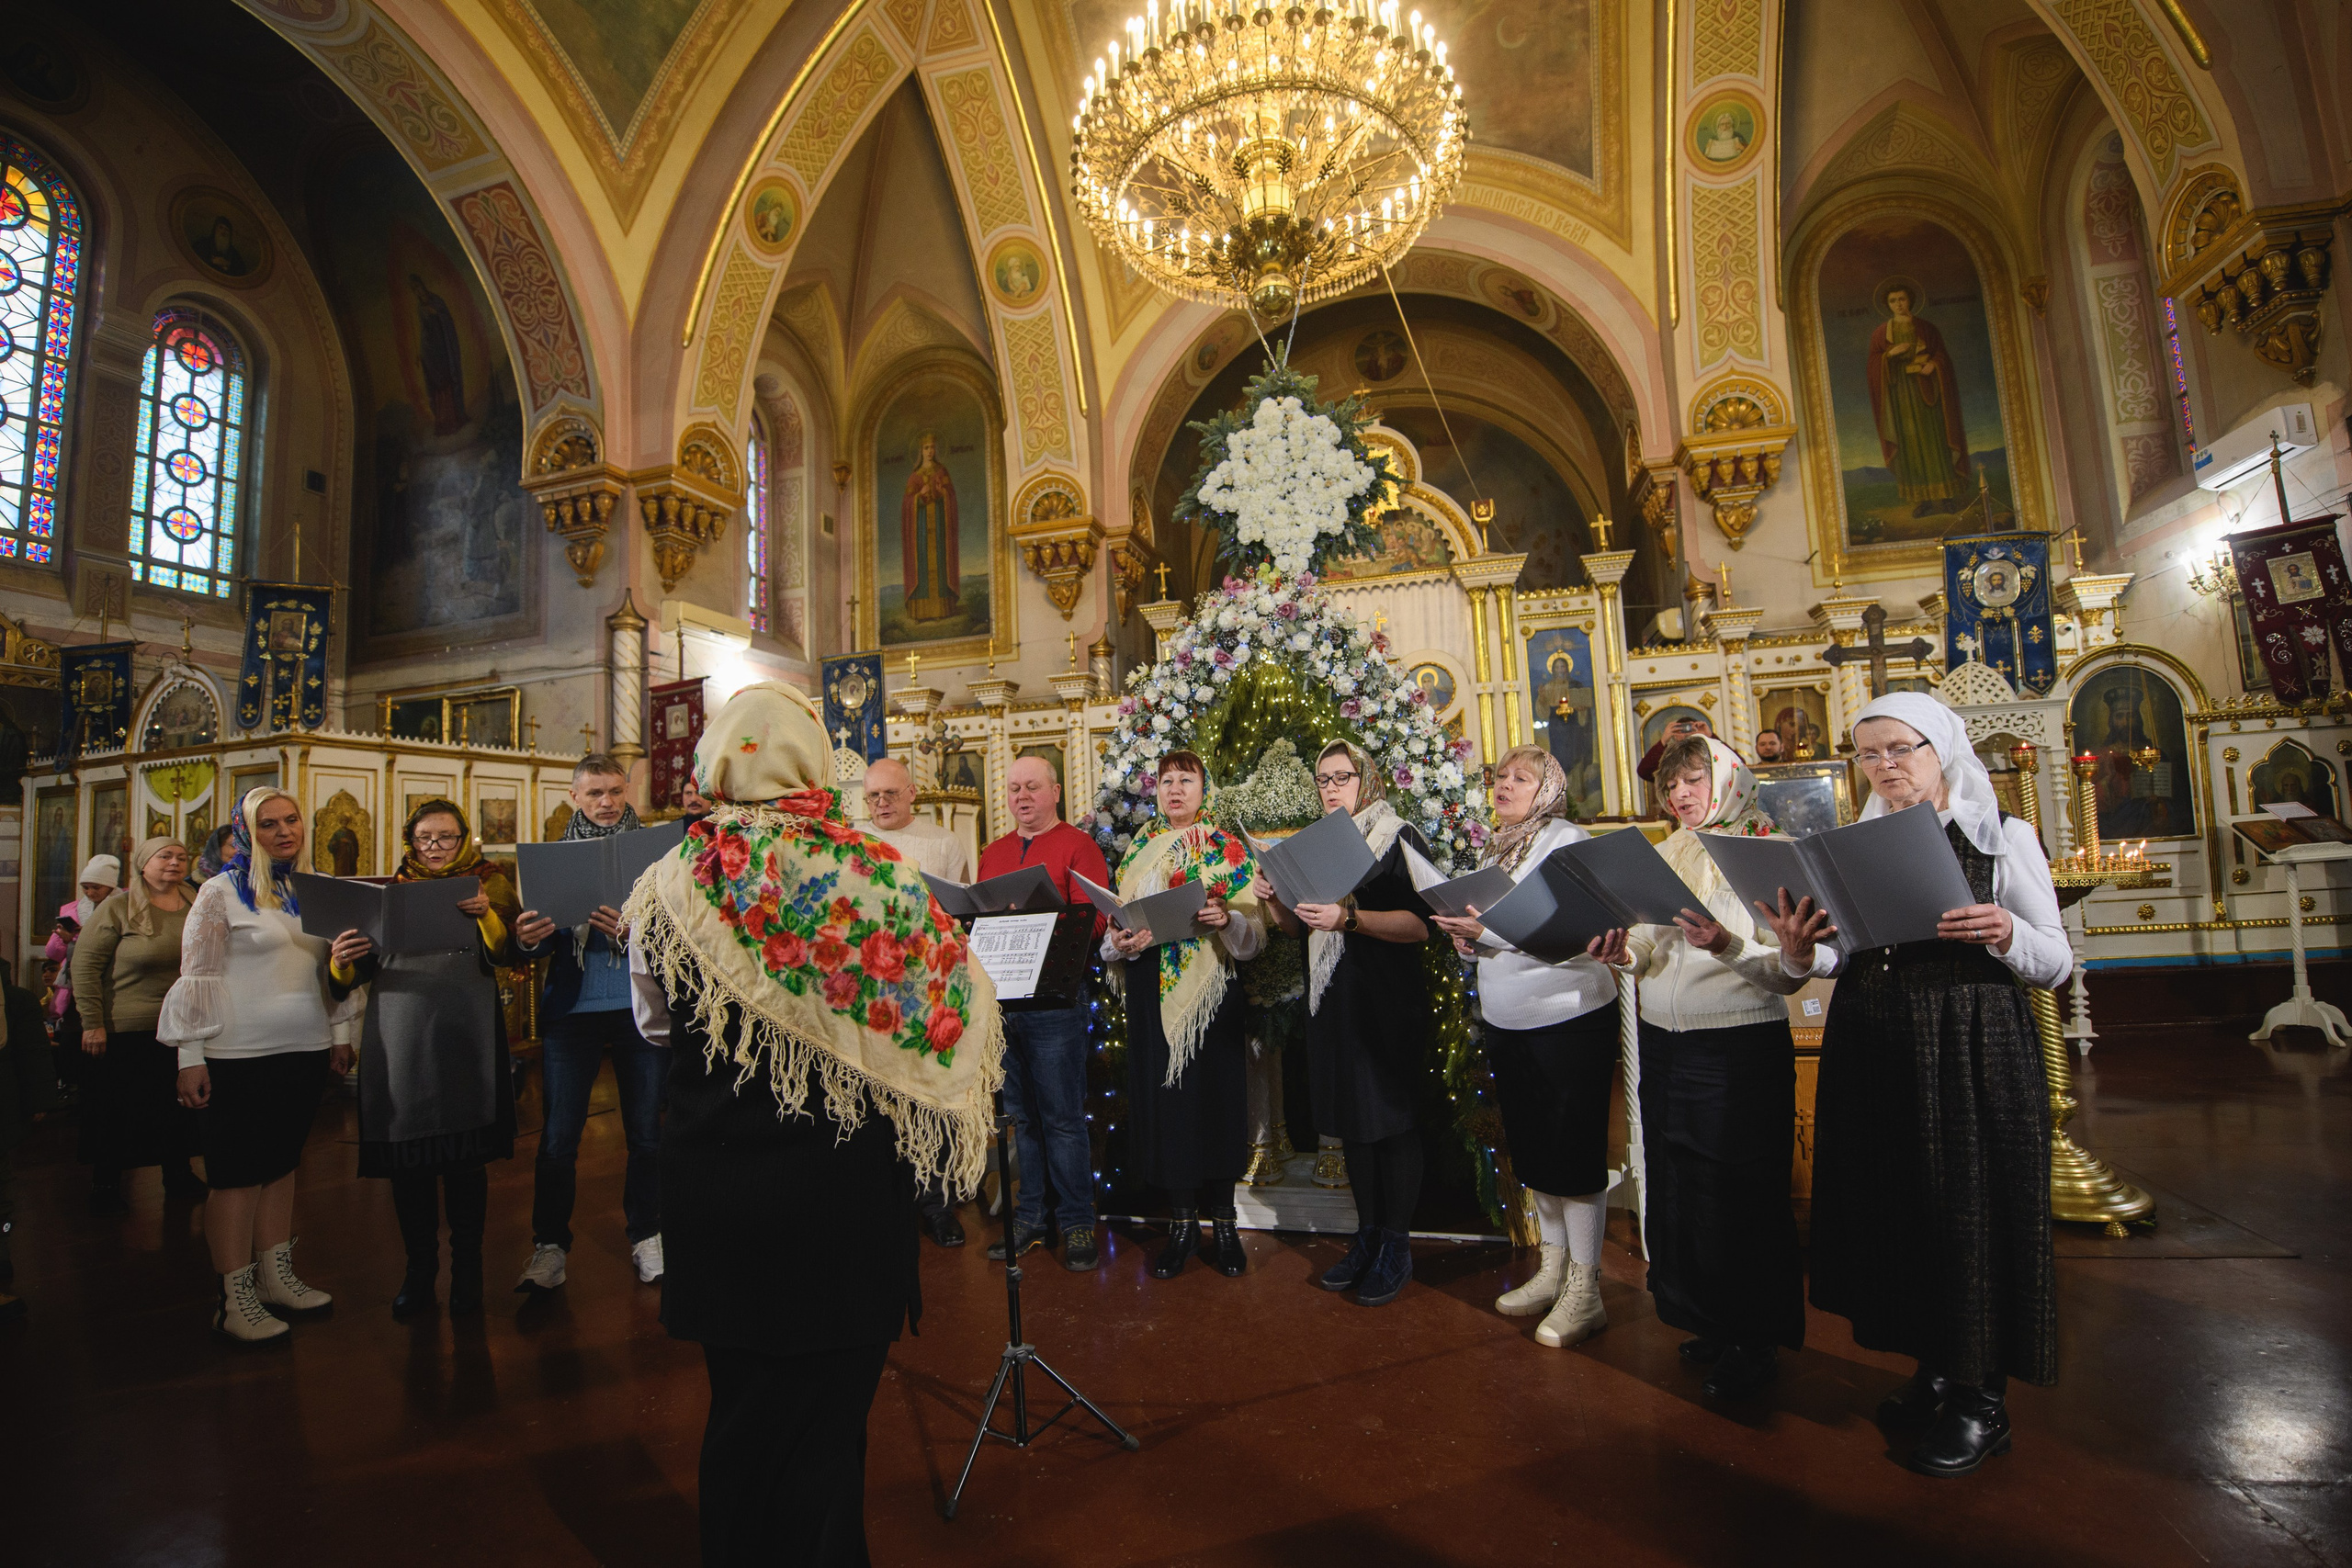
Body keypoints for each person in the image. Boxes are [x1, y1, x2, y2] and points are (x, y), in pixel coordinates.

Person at [622, 682, 1002, 1566]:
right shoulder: (876, 875)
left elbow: (653, 1025)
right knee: (832, 1425)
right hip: (844, 1198)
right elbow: (951, 1008)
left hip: (722, 1194)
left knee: (742, 1412)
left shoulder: (670, 883)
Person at [1757, 692, 2069, 1477]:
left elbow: (2057, 959)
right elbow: (1831, 959)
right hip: (1875, 1037)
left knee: (1966, 1212)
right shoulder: (1848, 846)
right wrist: (1798, 952)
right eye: (1869, 753)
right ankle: (1934, 1367)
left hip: (1968, 1041)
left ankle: (1981, 1401)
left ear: (1942, 751)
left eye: (1901, 748)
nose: (1886, 765)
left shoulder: (2003, 837)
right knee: (1899, 1204)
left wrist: (2006, 932)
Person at [1597, 736, 1806, 1399]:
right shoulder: (1667, 852)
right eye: (1670, 787)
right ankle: (1710, 1316)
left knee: (1739, 1200)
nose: (1680, 795)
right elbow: (1649, 949)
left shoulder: (1770, 852)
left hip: (1736, 1048)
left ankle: (1755, 1340)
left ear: (1727, 777)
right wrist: (1618, 953)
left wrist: (1728, 943)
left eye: (1692, 779)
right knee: (1684, 1190)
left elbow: (1787, 973)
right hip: (1667, 1042)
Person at [1428, 747, 1621, 1348]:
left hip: (1568, 1013)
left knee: (1574, 1155)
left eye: (1522, 777)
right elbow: (1500, 935)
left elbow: (1572, 932)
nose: (1506, 784)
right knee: (1537, 1152)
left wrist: (1490, 932)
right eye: (1501, 775)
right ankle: (1553, 1269)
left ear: (1549, 790)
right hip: (1510, 1018)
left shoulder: (1564, 839)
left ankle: (1586, 1289)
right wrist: (1471, 941)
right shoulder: (1498, 844)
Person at [159, 789, 361, 1345]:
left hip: (304, 1046)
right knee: (235, 1177)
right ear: (247, 833)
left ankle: (275, 1279)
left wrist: (340, 1032)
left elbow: (333, 965)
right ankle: (234, 1297)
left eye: (291, 820)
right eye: (267, 824)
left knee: (281, 1167)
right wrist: (190, 1056)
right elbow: (196, 975)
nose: (283, 831)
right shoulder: (220, 892)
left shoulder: (315, 889)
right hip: (236, 1053)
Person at [1257, 740, 1433, 1304]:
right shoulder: (1312, 848)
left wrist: (1348, 917)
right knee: (1353, 1125)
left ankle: (1397, 1247)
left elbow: (1421, 925)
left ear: (1367, 780)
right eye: (1323, 779)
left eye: (1342, 776)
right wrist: (1273, 901)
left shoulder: (1397, 836)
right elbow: (1296, 930)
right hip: (1333, 1004)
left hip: (1386, 1004)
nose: (1332, 787)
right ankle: (1368, 1237)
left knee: (1391, 1123)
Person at [342, 800, 524, 1319]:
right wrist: (340, 961)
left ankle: (469, 1272)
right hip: (400, 1035)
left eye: (446, 838)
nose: (435, 848)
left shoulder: (491, 885)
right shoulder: (388, 893)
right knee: (410, 1166)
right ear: (410, 841)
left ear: (465, 838)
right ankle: (418, 1271)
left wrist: (487, 916)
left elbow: (507, 955)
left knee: (465, 1166)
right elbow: (353, 976)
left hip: (465, 1029)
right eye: (425, 839)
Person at [513, 754, 667, 1291]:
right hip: (572, 1013)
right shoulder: (550, 859)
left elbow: (678, 936)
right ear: (574, 797)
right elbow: (533, 941)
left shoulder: (656, 857)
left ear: (628, 794)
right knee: (558, 1137)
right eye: (595, 793)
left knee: (647, 1133)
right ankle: (549, 1245)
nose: (606, 802)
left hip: (637, 1006)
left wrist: (635, 937)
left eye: (615, 792)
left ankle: (647, 1234)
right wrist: (528, 939)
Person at [1111, 750, 1264, 1280]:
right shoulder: (1136, 851)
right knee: (1169, 1105)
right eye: (1166, 781)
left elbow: (1252, 932)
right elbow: (1120, 922)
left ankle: (1223, 1225)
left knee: (1215, 1100)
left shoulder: (1224, 846)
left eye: (1186, 780)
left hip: (1210, 993)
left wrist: (1225, 919)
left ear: (1205, 788)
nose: (1175, 790)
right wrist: (1120, 940)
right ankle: (1180, 1225)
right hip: (1150, 988)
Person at [977, 753, 1111, 1269]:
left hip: (1055, 1003)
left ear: (1056, 791)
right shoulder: (994, 853)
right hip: (1003, 1006)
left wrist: (1032, 920)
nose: (1022, 797)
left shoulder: (1078, 846)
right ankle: (1030, 1216)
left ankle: (1077, 1222)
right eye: (1013, 789)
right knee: (1021, 1120)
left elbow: (1094, 924)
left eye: (1032, 786)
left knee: (1061, 1119)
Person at [71, 837, 203, 1214]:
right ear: (143, 864)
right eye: (164, 857)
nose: (174, 863)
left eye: (181, 857)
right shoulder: (116, 907)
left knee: (176, 1107)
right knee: (119, 1108)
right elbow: (85, 967)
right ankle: (106, 1182)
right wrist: (92, 1023)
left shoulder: (197, 903)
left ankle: (177, 1173)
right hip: (127, 1025)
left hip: (183, 1024)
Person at [861, 757, 968, 882]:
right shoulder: (850, 842)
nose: (882, 803)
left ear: (912, 792)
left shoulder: (946, 843)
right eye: (873, 795)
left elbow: (959, 899)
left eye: (891, 793)